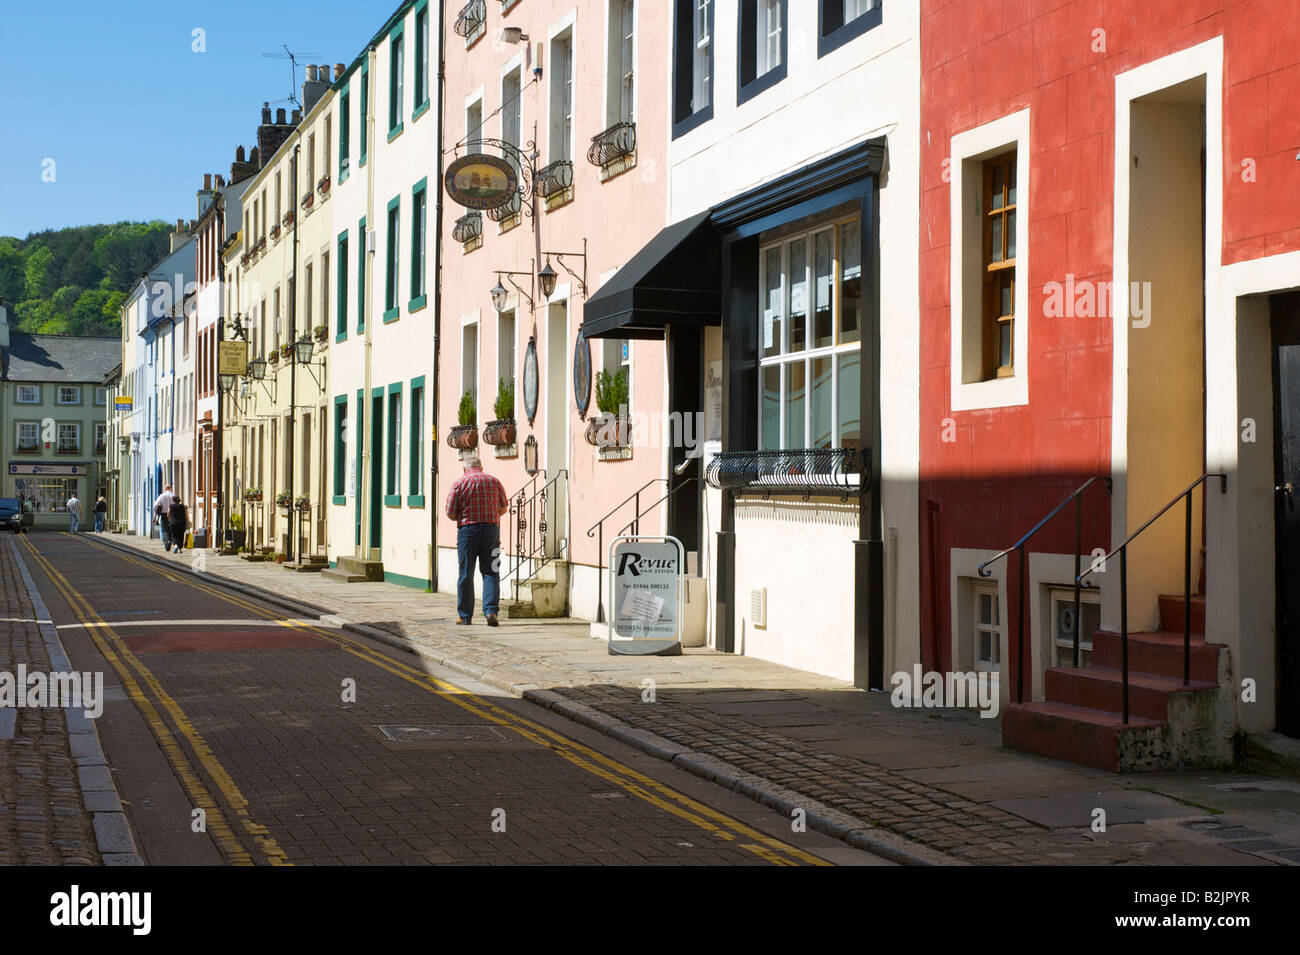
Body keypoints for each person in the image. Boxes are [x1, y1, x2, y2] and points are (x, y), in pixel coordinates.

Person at [444, 453, 509, 626]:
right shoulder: (494, 482)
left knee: (465, 573)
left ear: (464, 468)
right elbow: (504, 507)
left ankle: (465, 616)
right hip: (491, 531)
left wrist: (462, 515)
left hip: (467, 531)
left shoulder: (459, 483)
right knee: (492, 571)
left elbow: (449, 511)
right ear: (481, 467)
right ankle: (491, 612)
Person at [153, 485, 176, 550]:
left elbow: (155, 505)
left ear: (165, 489)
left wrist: (157, 513)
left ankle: (166, 542)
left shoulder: (162, 496)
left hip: (164, 514)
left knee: (165, 529)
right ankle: (171, 541)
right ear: (170, 488)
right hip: (172, 514)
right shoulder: (173, 495)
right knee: (171, 528)